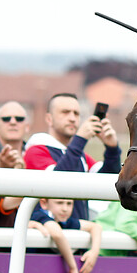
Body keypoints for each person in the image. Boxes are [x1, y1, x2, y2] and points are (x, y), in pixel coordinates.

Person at [24, 93, 121, 222]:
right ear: (49, 119)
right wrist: (80, 139)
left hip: (79, 233)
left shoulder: (79, 154)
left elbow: (107, 179)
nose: (72, 118)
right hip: (46, 236)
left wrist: (112, 148)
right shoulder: (36, 150)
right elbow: (57, 184)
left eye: (76, 113)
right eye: (65, 112)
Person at [28, 198, 102, 273]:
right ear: (43, 203)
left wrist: (94, 252)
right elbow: (57, 234)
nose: (65, 209)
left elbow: (96, 227)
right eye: (59, 203)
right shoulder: (39, 216)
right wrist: (73, 267)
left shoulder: (65, 221)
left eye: (69, 204)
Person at [0, 101, 29, 168]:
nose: (13, 122)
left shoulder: (35, 154)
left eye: (19, 119)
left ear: (27, 126)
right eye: (6, 119)